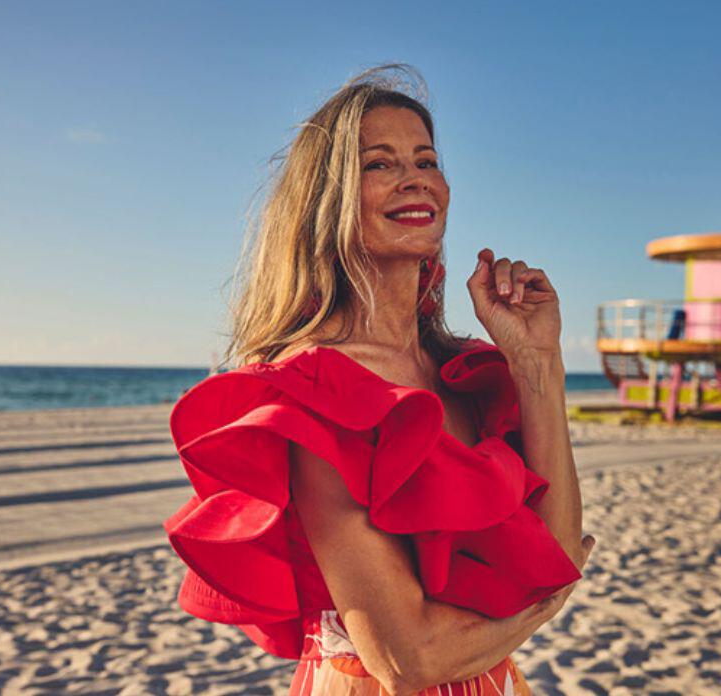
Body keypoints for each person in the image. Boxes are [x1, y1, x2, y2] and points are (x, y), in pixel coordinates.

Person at [163, 64, 595, 695]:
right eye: (379, 164)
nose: (414, 179)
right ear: (326, 198)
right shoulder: (315, 390)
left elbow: (552, 554)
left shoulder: (462, 374)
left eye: (426, 160)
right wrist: (541, 608)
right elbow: (409, 658)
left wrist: (537, 362)